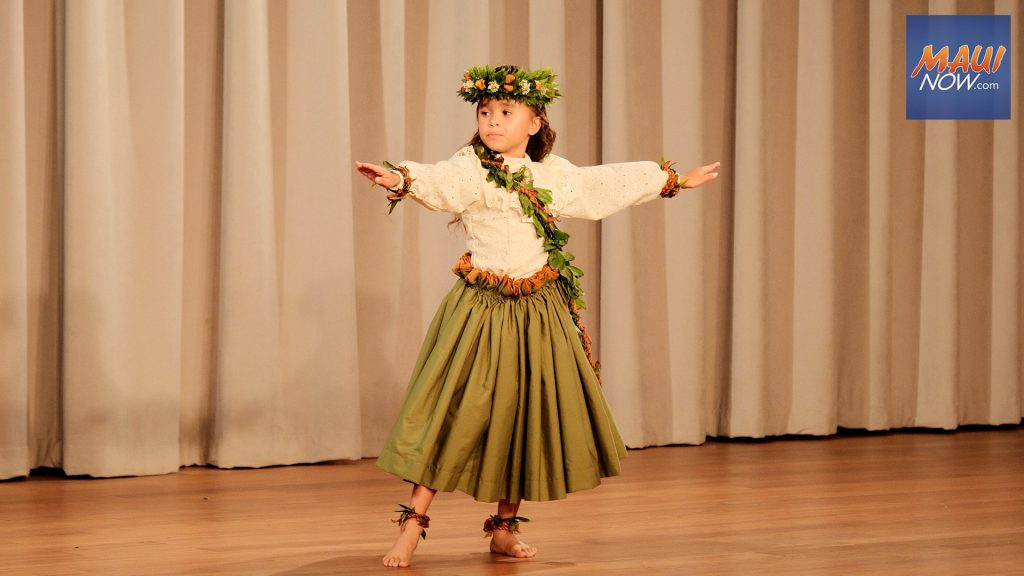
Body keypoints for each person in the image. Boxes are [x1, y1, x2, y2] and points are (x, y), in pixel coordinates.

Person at [355, 65, 720, 568]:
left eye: (506, 112)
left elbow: (603, 184)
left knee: (522, 414)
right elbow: (441, 183)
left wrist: (670, 179)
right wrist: (401, 178)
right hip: (482, 311)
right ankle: (412, 526)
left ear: (534, 123)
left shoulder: (553, 176)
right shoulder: (472, 169)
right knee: (454, 413)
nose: (492, 121)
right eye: (485, 112)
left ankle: (504, 529)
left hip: (537, 312)